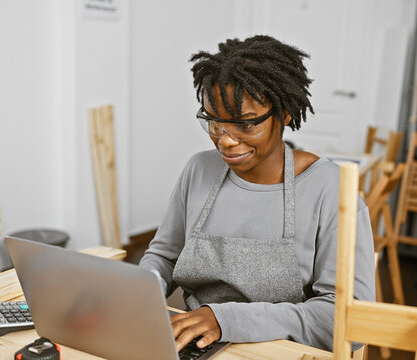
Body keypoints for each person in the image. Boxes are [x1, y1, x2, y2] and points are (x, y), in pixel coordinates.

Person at [139, 35, 375, 352]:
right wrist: (142, 289)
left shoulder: (330, 190)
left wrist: (225, 319)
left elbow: (349, 319)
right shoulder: (199, 170)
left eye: (246, 125)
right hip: (197, 343)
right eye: (213, 121)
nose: (225, 140)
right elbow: (165, 256)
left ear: (285, 114)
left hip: (283, 350)